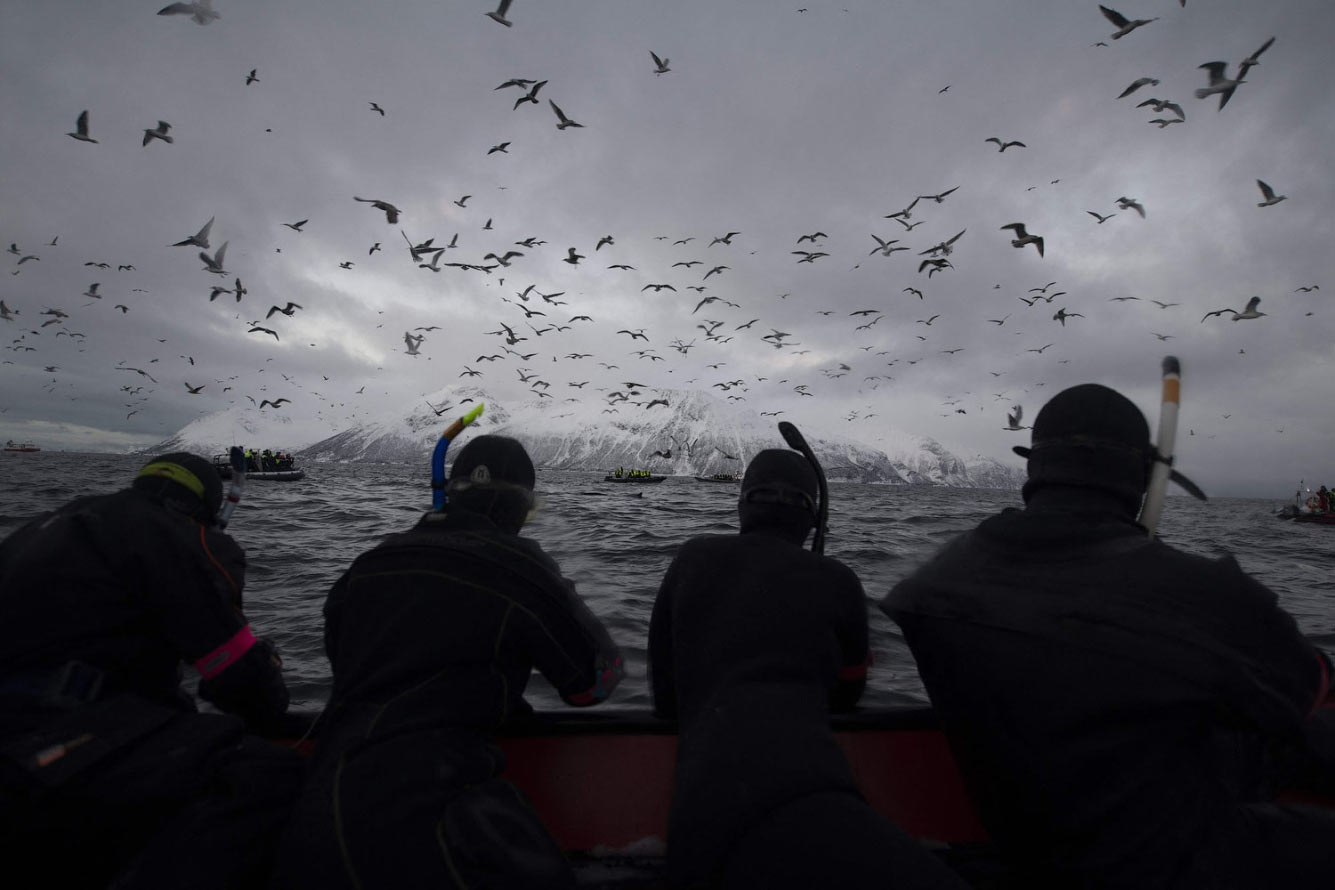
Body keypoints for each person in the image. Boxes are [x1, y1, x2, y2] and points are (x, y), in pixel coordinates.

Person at [883, 383, 1335, 889]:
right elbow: (1307, 693)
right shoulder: (1205, 595)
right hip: (1176, 864)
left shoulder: (927, 585)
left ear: (1033, 468)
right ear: (1145, 476)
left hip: (1024, 850)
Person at [272, 434, 625, 890]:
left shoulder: (366, 566)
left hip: (317, 814)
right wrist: (566, 597)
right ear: (516, 507)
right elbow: (591, 685)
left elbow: (347, 668)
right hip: (432, 821)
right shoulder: (520, 568)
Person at [649, 448, 967, 889]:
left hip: (698, 820)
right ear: (813, 520)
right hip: (811, 796)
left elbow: (665, 696)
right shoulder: (838, 580)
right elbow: (848, 695)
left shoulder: (691, 559)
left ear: (742, 505)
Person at [0, 452, 298, 889]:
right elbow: (237, 677)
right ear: (204, 505)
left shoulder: (47, 524)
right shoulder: (178, 538)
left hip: (23, 729)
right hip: (56, 737)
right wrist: (273, 712)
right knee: (273, 778)